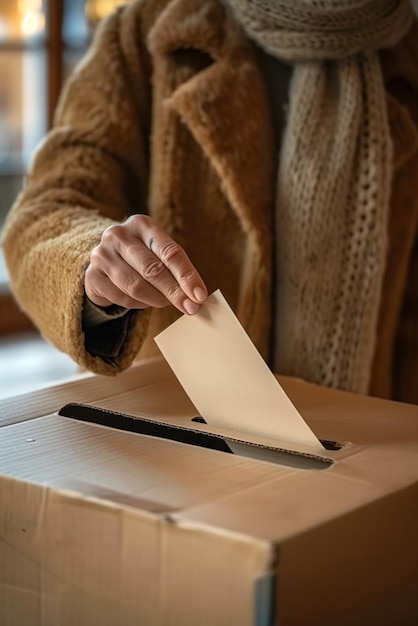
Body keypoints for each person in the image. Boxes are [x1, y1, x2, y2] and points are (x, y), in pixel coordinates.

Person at [2, 0, 418, 404]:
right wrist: (97, 265)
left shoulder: (407, 53)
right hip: (168, 434)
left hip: (367, 441)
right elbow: (42, 213)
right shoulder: (146, 32)